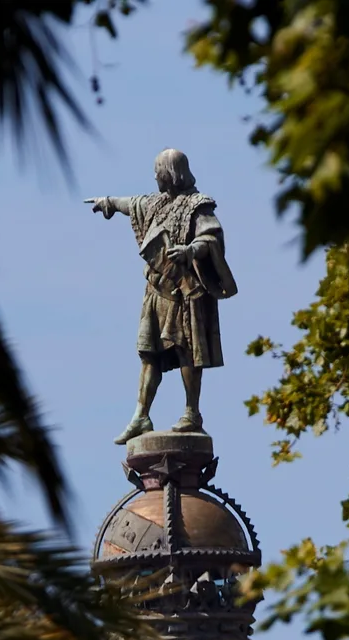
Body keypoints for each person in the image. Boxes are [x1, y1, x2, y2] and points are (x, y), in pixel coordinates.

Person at [88, 148, 239, 444]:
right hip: (155, 290)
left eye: (158, 171)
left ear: (170, 173)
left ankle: (192, 413)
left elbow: (211, 237)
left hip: (184, 291)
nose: (155, 176)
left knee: (186, 350)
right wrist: (108, 202)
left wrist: (190, 250)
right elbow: (132, 204)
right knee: (148, 353)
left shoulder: (198, 205)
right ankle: (141, 416)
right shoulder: (156, 203)